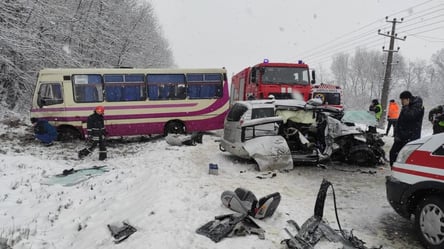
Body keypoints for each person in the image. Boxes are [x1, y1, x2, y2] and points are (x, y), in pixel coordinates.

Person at [389, 91, 424, 167]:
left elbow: (410, 117)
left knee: (404, 158)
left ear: (408, 99)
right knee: (393, 154)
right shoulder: (408, 106)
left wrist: (405, 107)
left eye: (402, 100)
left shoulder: (417, 106)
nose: (401, 102)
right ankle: (395, 172)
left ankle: (400, 174)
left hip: (410, 137)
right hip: (402, 137)